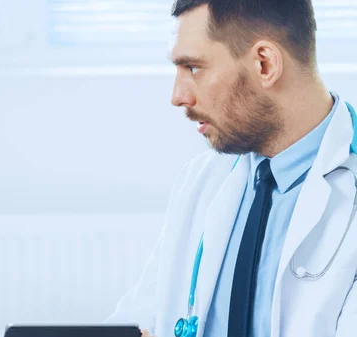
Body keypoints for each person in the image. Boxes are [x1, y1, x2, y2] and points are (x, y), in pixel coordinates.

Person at [106, 0, 357, 337]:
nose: (178, 96)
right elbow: (145, 313)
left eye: (193, 68)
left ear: (264, 64)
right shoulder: (202, 180)